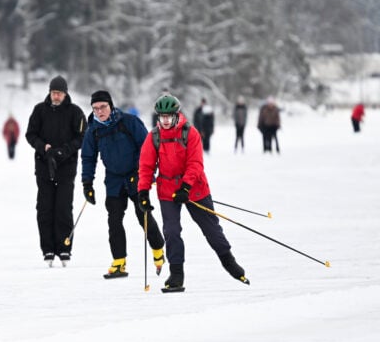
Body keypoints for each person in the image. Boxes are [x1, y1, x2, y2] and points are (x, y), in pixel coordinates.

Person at [137, 94, 248, 291]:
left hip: (195, 188)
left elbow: (195, 163)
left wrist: (186, 187)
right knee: (171, 231)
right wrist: (143, 192)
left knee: (211, 228)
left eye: (168, 117)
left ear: (176, 115)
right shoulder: (153, 136)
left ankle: (229, 261)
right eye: (162, 117)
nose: (165, 121)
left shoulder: (190, 133)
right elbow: (146, 167)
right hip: (167, 190)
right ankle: (176, 274)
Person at [80, 90, 165, 279]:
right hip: (114, 180)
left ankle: (158, 249)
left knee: (142, 214)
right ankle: (119, 261)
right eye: (95, 108)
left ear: (110, 106)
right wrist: (87, 183)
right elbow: (88, 157)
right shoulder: (93, 130)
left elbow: (147, 148)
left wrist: (145, 174)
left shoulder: (129, 122)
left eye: (103, 107)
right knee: (114, 219)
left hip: (136, 175)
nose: (99, 111)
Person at [25, 75, 87, 267]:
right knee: (45, 209)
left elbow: (83, 136)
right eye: (53, 92)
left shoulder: (75, 112)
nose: (56, 96)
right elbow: (30, 134)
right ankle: (48, 249)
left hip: (66, 167)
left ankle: (64, 248)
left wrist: (66, 150)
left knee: (63, 208)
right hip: (44, 166)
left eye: (59, 93)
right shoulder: (39, 110)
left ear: (65, 93)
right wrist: (43, 147)